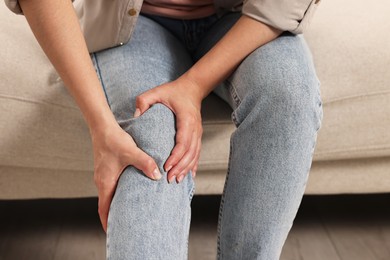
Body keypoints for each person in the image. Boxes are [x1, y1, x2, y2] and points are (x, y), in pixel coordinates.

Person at [5, 0, 323, 258]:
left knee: (288, 98)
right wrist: (101, 126)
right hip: (133, 24)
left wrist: (193, 85)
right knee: (150, 139)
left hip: (244, 18)